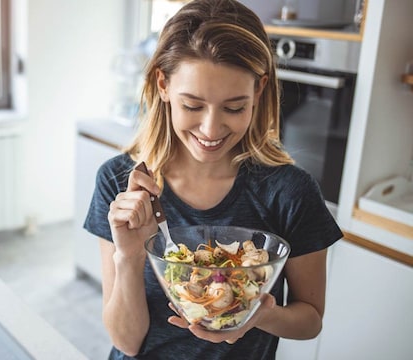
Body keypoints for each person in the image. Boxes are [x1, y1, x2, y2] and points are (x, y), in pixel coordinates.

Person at [83, 0, 343, 359]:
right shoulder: (119, 181)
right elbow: (126, 342)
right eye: (192, 105)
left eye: (234, 107)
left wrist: (260, 315)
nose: (210, 129)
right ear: (162, 84)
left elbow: (310, 319)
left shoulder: (290, 192)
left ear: (259, 90)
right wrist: (129, 256)